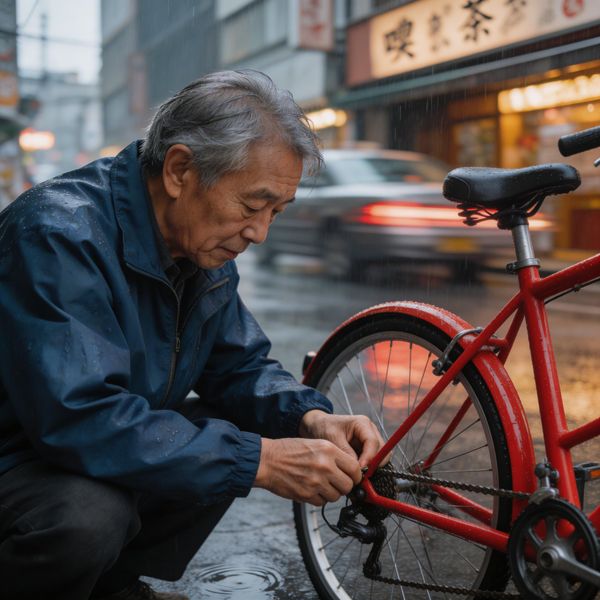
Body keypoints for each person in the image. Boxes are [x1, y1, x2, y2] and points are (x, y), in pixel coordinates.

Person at [0, 70, 385, 600]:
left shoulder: (198, 248)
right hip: (20, 455)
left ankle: (108, 586)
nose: (259, 232)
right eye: (252, 206)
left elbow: (240, 367)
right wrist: (263, 461)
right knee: (89, 515)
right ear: (180, 169)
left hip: (86, 445)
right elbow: (79, 416)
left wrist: (310, 417)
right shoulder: (58, 234)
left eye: (276, 212)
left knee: (233, 433)